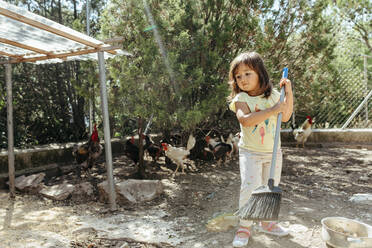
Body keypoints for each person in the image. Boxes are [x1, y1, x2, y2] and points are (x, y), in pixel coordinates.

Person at [228, 52, 293, 247]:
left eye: (248, 74)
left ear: (260, 74)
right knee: (250, 187)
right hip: (250, 152)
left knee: (269, 188)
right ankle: (244, 227)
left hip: (273, 152)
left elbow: (287, 115)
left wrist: (288, 92)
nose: (243, 79)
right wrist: (273, 110)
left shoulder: (274, 95)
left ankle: (267, 222)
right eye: (238, 76)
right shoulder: (241, 99)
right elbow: (246, 121)